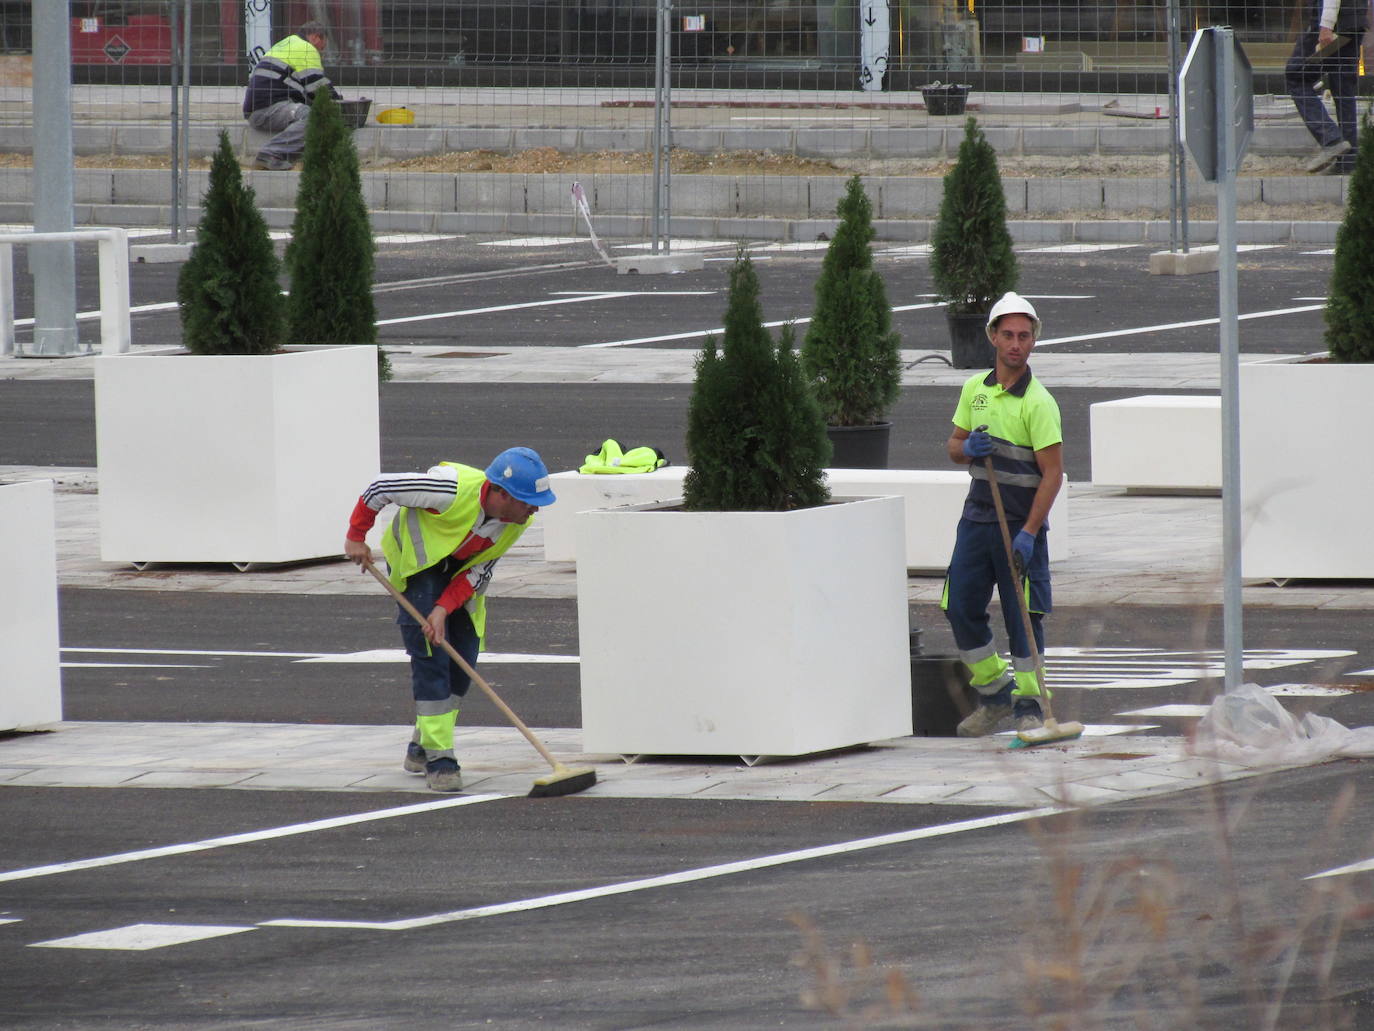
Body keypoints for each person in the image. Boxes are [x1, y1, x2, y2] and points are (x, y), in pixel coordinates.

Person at [343, 447, 557, 792]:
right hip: (418, 567)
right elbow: (379, 488)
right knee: (431, 654)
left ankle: (421, 744)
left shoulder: (518, 522)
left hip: (459, 576)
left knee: (465, 658)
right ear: (500, 494)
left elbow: (479, 569)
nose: (535, 509)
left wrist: (443, 608)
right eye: (528, 501)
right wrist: (356, 536)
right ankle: (441, 759)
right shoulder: (449, 491)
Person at [942, 292, 1063, 738]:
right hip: (977, 519)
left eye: (1024, 336)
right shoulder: (974, 391)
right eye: (1008, 334)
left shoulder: (1039, 403)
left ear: (1033, 342)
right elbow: (954, 445)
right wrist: (965, 448)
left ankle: (1030, 705)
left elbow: (1053, 474)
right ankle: (994, 694)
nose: (1016, 344)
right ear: (992, 336)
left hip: (1018, 526)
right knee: (960, 607)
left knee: (1022, 618)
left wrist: (1030, 532)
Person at [242, 20, 341, 171]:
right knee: (313, 117)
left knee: (305, 111)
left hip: (259, 108)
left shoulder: (287, 43)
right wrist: (338, 103)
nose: (321, 52)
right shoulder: (306, 49)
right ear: (315, 37)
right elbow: (318, 89)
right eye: (322, 47)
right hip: (269, 109)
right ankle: (271, 153)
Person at [1287, 0, 1369, 175]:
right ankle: (1348, 163)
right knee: (1343, 88)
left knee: (1296, 76)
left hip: (1332, 28)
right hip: (1353, 23)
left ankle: (1331, 139)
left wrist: (1326, 26)